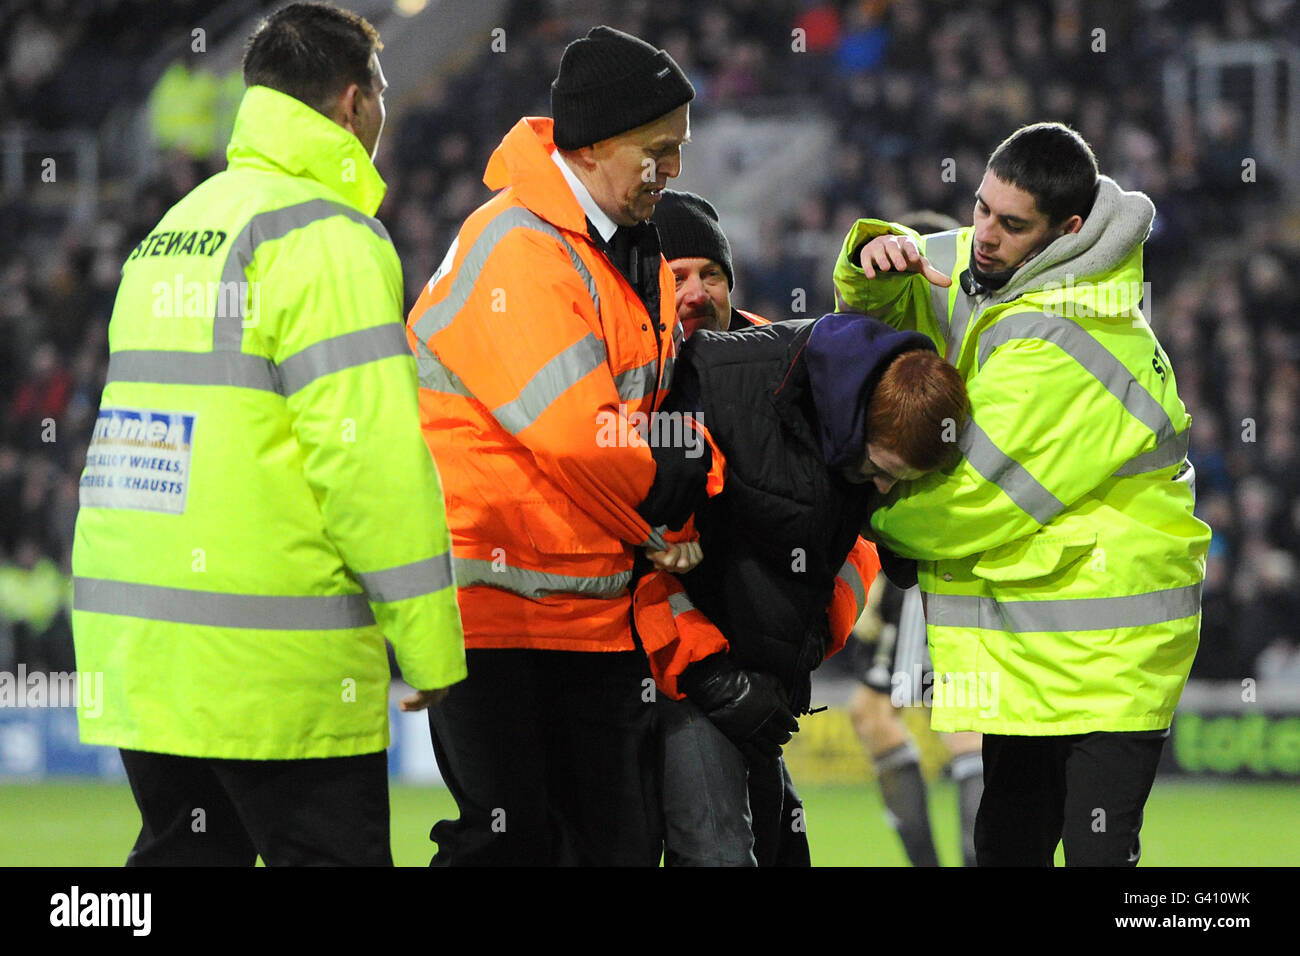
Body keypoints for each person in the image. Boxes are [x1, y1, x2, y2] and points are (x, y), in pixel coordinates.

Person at [71, 2, 466, 867]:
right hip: (277, 670)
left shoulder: (168, 237)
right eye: (383, 92)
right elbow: (368, 462)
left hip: (149, 655)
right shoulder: (329, 239)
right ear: (352, 104)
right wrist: (430, 645)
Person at [833, 121, 1211, 866]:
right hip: (1035, 646)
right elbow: (899, 290)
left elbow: (972, 499)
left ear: (1065, 231)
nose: (984, 236)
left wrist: (854, 512)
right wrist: (870, 261)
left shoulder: (1074, 340)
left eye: (1011, 224)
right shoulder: (999, 265)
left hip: (1111, 659)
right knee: (1007, 847)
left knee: (1095, 857)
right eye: (980, 209)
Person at [406, 26, 700, 866]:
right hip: (501, 611)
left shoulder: (618, 250)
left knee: (606, 847)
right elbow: (582, 437)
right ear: (599, 141)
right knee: (508, 847)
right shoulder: (522, 249)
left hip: (587, 610)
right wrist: (663, 518)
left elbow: (637, 418)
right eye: (659, 150)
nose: (673, 170)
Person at [635, 195, 968, 862]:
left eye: (712, 274)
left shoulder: (820, 380)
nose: (697, 292)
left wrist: (812, 639)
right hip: (677, 681)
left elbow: (856, 544)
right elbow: (640, 560)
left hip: (766, 685)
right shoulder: (656, 393)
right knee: (713, 847)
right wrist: (711, 676)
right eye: (677, 276)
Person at [843, 210, 983, 869]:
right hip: (912, 558)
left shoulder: (944, 361)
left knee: (963, 726)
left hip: (938, 552)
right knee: (874, 715)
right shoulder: (894, 356)